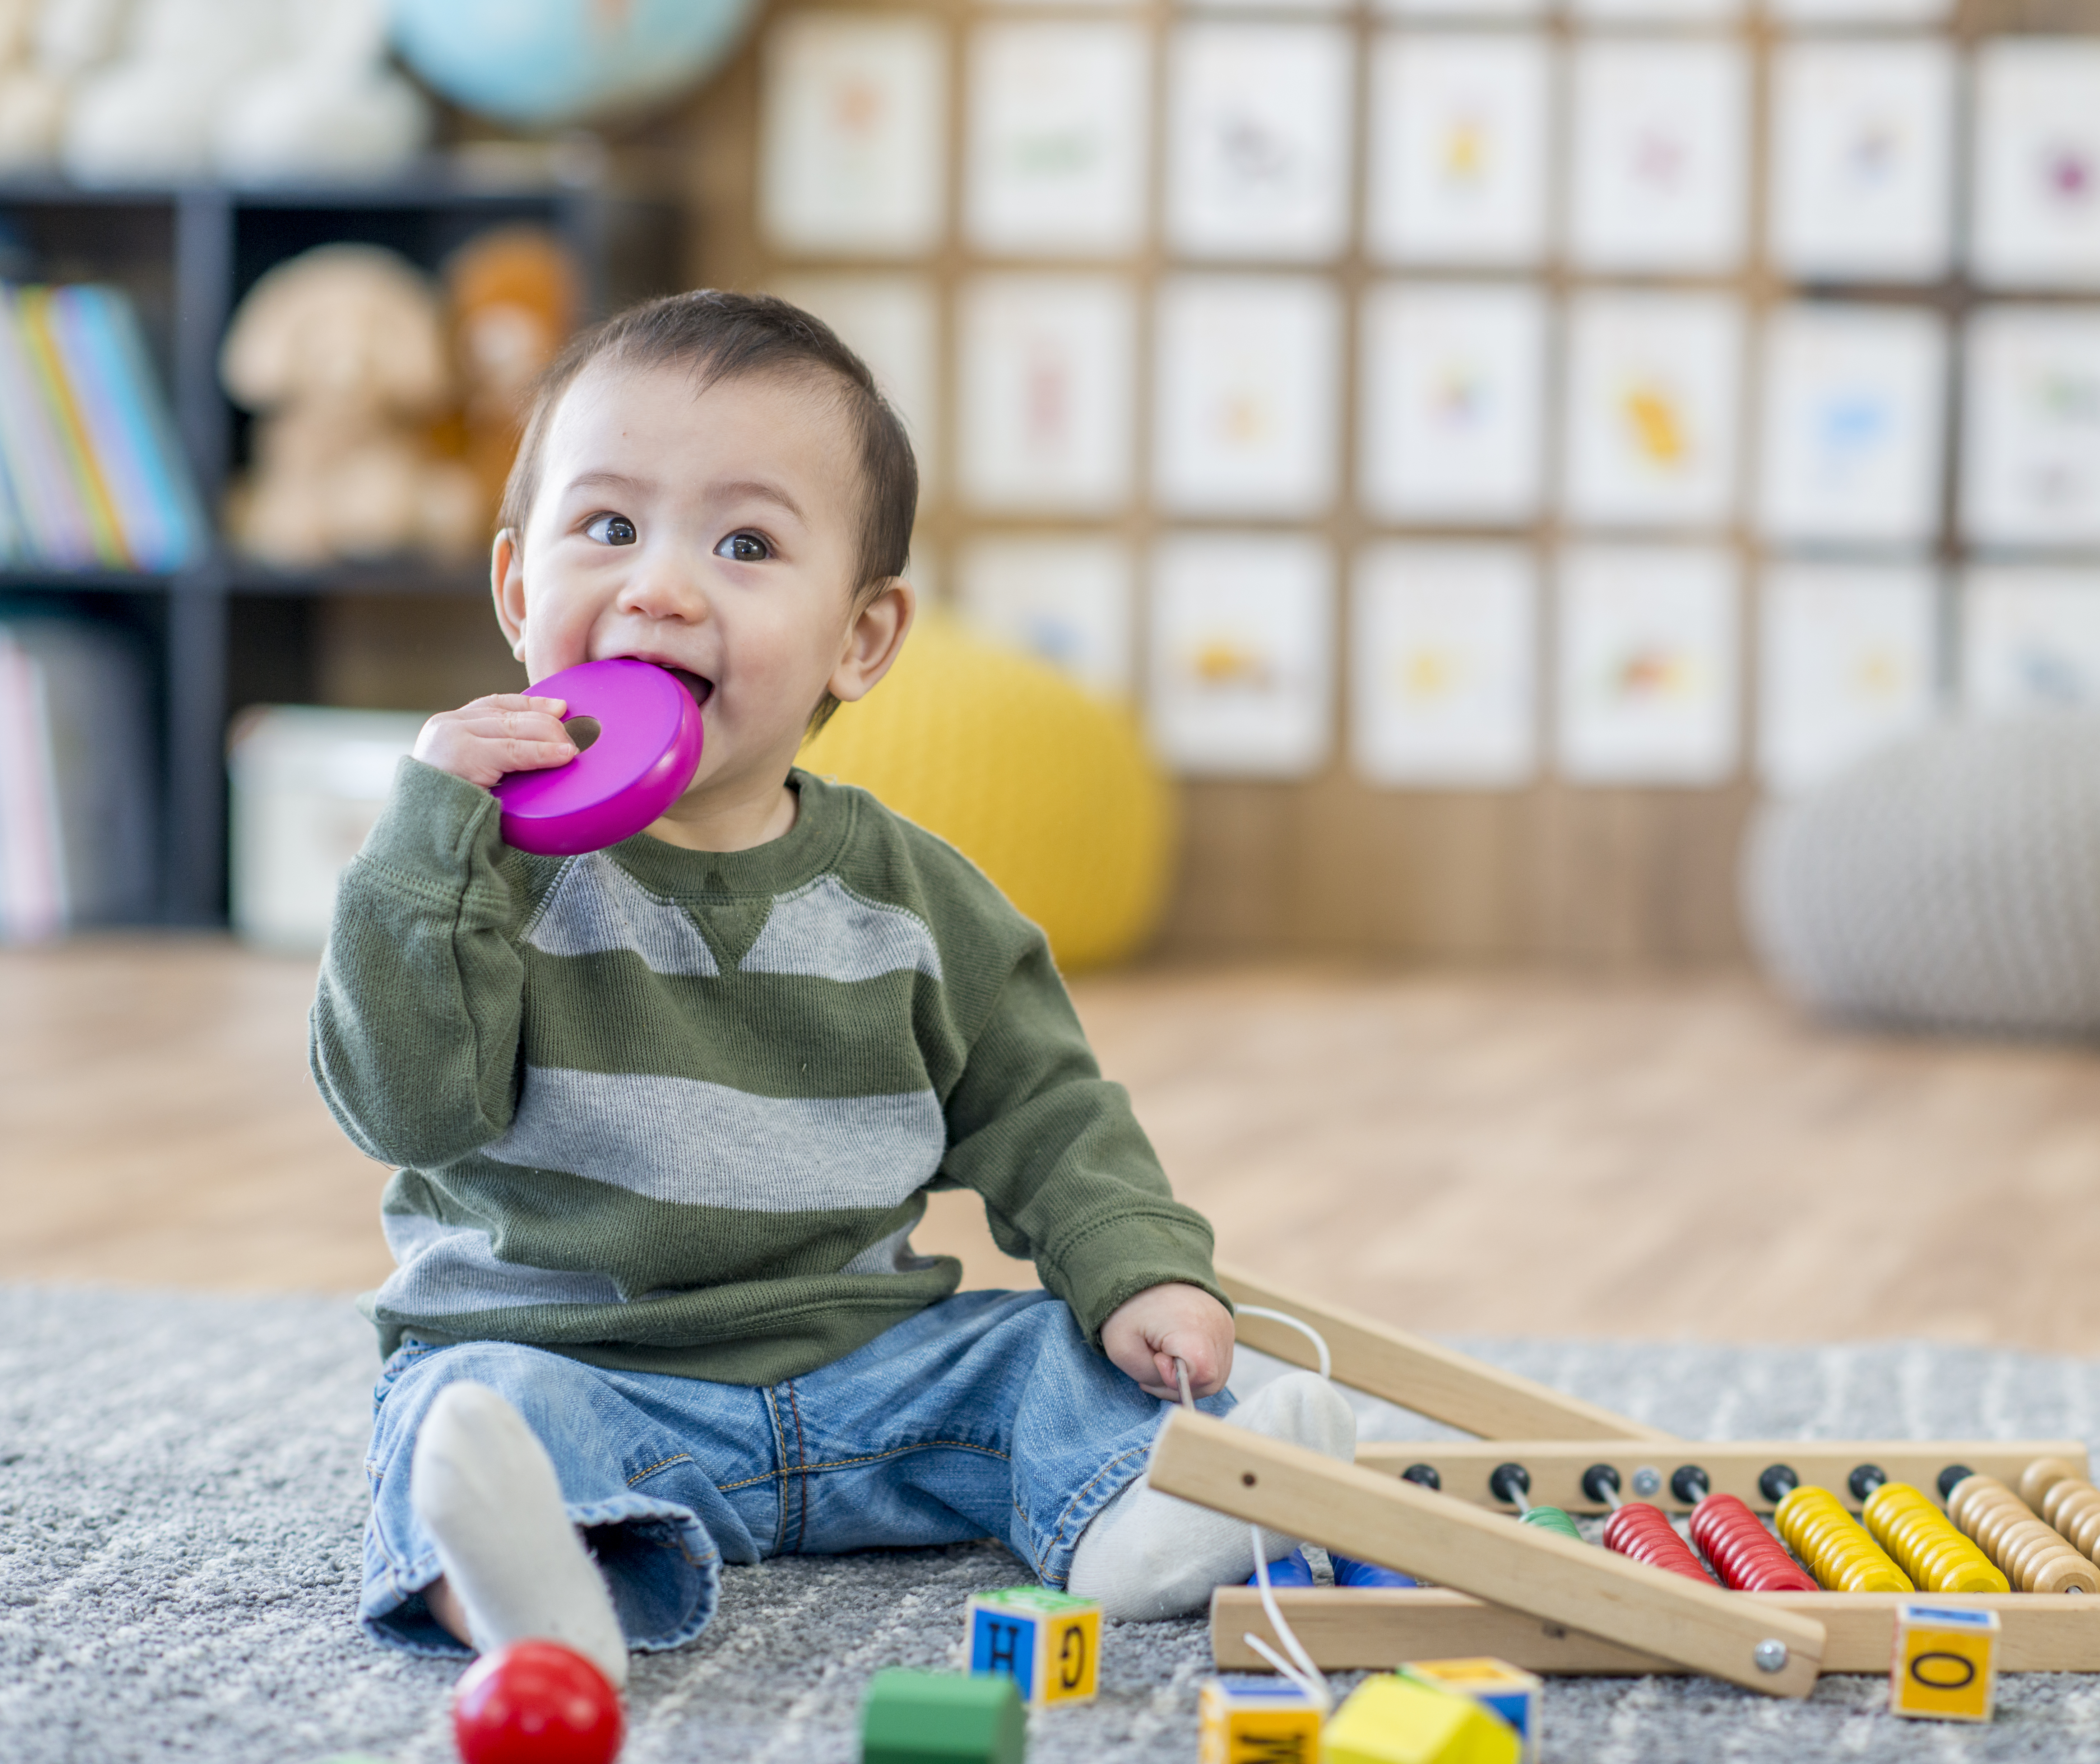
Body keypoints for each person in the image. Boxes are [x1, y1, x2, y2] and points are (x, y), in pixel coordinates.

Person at [312, 290, 1350, 1683]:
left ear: (860, 639)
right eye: (608, 527)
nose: (660, 586)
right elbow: (407, 1108)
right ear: (516, 590)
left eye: (743, 543)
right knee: (471, 1409)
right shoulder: (472, 873)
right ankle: (535, 1592)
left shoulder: (916, 899)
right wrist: (424, 842)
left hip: (873, 1376)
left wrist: (1138, 1269)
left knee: (1046, 1358)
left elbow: (1046, 1109)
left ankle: (1150, 1509)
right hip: (582, 1360)